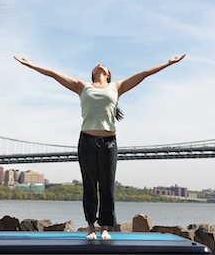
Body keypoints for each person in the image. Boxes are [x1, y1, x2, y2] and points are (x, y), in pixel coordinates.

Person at [13, 54, 186, 239]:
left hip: (109, 142)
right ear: (93, 74)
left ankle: (104, 227)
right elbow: (54, 74)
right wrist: (31, 65)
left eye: (104, 65)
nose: (100, 64)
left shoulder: (116, 87)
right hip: (87, 140)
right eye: (97, 65)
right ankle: (90, 227)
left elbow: (143, 74)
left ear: (108, 75)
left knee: (107, 186)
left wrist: (168, 64)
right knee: (89, 186)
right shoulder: (82, 86)